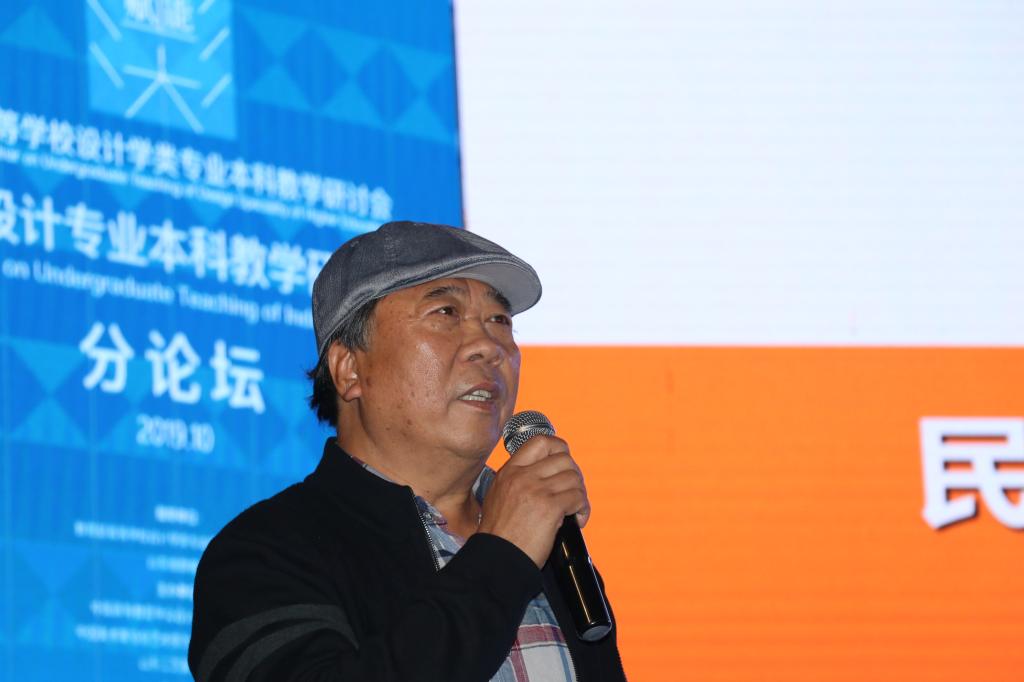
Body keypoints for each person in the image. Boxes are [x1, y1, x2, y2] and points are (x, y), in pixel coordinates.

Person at [188, 221, 627, 681]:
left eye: (499, 320)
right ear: (349, 369)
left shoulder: (553, 550)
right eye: (445, 312)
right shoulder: (261, 552)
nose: (489, 346)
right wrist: (502, 555)